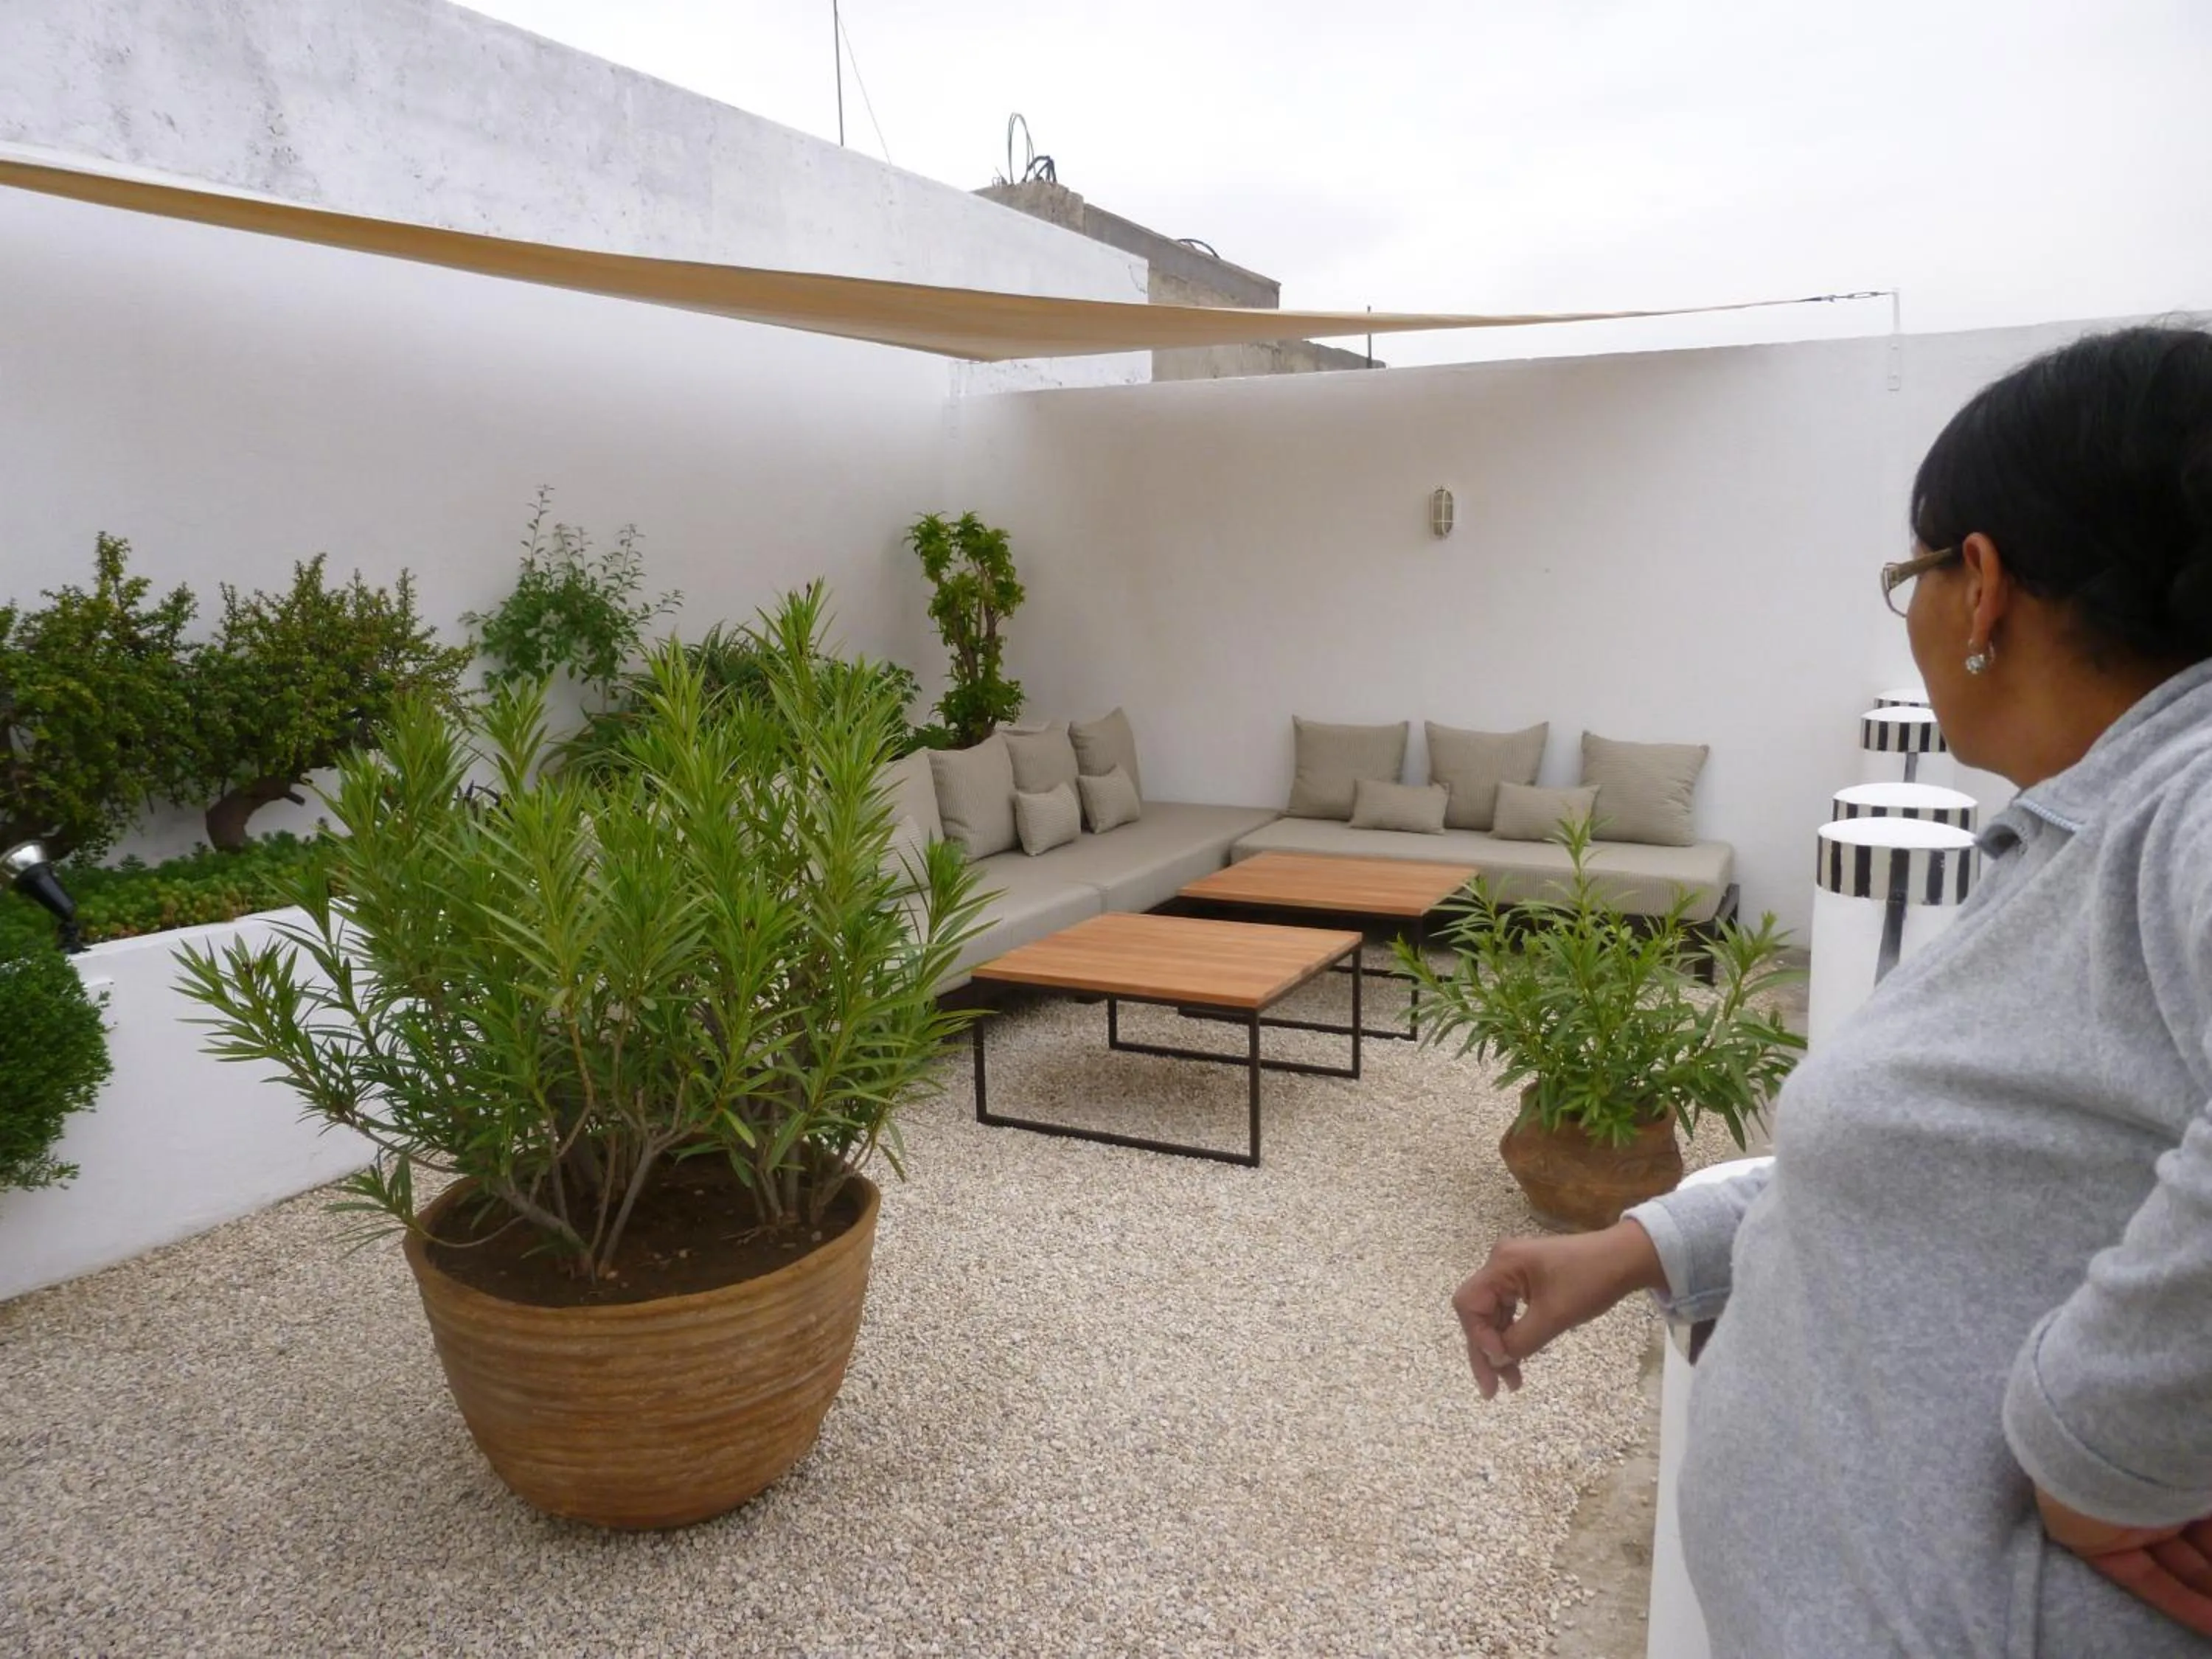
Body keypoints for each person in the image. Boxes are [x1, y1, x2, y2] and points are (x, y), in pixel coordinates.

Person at [1451, 324, 2212, 1656]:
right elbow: (1968, 1174)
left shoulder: (2186, 796)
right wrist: (1647, 1245)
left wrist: (2092, 1450)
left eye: (1909, 576)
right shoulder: (2085, 829)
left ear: (1981, 586)